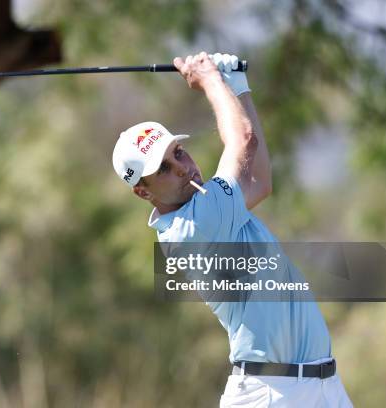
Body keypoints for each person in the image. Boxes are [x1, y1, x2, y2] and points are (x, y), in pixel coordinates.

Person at [111, 52, 353, 407]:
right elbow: (244, 140)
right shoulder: (192, 227)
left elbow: (260, 181)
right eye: (163, 169)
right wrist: (210, 79)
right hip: (271, 394)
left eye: (178, 152)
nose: (182, 168)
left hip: (322, 386)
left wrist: (238, 88)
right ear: (142, 191)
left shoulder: (209, 206)